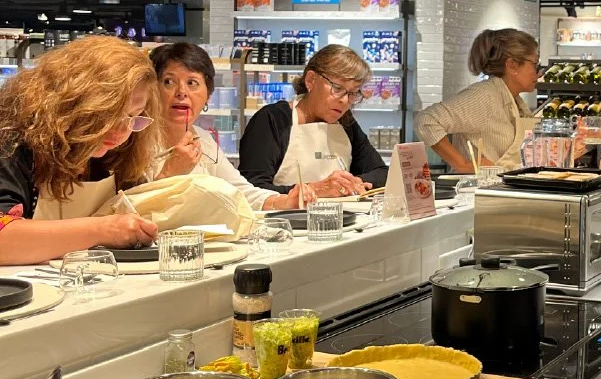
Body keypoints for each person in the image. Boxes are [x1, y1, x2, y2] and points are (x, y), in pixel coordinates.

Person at [0, 36, 161, 265]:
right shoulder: (12, 141)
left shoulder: (117, 154)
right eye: (108, 116)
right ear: (71, 102)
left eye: (133, 117)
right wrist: (102, 229)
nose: (120, 131)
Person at [150, 42, 313, 210]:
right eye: (169, 81)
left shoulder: (203, 141)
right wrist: (170, 172)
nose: (181, 92)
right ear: (152, 90)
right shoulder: (137, 143)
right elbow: (130, 209)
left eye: (192, 83)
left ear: (208, 96)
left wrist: (284, 201)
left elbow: (239, 191)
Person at [239, 45, 387, 197]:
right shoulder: (272, 120)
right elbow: (252, 190)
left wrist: (354, 182)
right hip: (285, 219)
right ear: (311, 80)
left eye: (353, 93)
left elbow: (382, 173)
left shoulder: (346, 123)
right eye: (337, 88)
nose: (345, 101)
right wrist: (317, 190)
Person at [415, 29, 539, 172]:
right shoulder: (484, 96)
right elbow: (427, 120)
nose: (538, 72)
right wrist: (462, 164)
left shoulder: (515, 101)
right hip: (475, 189)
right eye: (534, 64)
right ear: (512, 65)